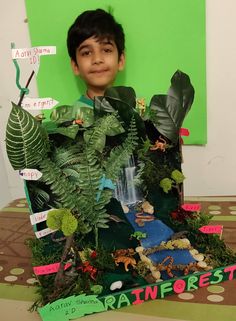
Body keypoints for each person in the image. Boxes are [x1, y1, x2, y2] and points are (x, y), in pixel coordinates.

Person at [67, 8, 125, 100]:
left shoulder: (138, 111)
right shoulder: (72, 114)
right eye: (86, 53)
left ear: (121, 60)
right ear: (75, 66)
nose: (97, 59)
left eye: (106, 50)